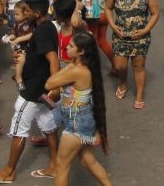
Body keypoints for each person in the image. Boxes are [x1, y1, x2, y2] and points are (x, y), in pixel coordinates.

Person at [0, 0, 59, 184]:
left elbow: (53, 60)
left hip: (32, 92)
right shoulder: (45, 26)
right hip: (41, 90)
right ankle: (55, 165)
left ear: (37, 12)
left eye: (27, 10)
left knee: (19, 129)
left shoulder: (42, 30)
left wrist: (56, 85)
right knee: (49, 128)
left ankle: (8, 171)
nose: (24, 13)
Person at [43, 33, 112, 186]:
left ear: (81, 52)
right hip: (82, 120)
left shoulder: (77, 71)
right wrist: (71, 63)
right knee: (88, 161)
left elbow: (49, 83)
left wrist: (68, 65)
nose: (67, 47)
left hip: (76, 123)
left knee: (61, 166)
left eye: (71, 46)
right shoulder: (82, 67)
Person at [105, 0, 160, 109]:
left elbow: (155, 14)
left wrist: (145, 30)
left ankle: (139, 95)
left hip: (140, 38)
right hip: (120, 37)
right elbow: (108, 8)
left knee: (139, 67)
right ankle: (123, 83)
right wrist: (112, 25)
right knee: (120, 66)